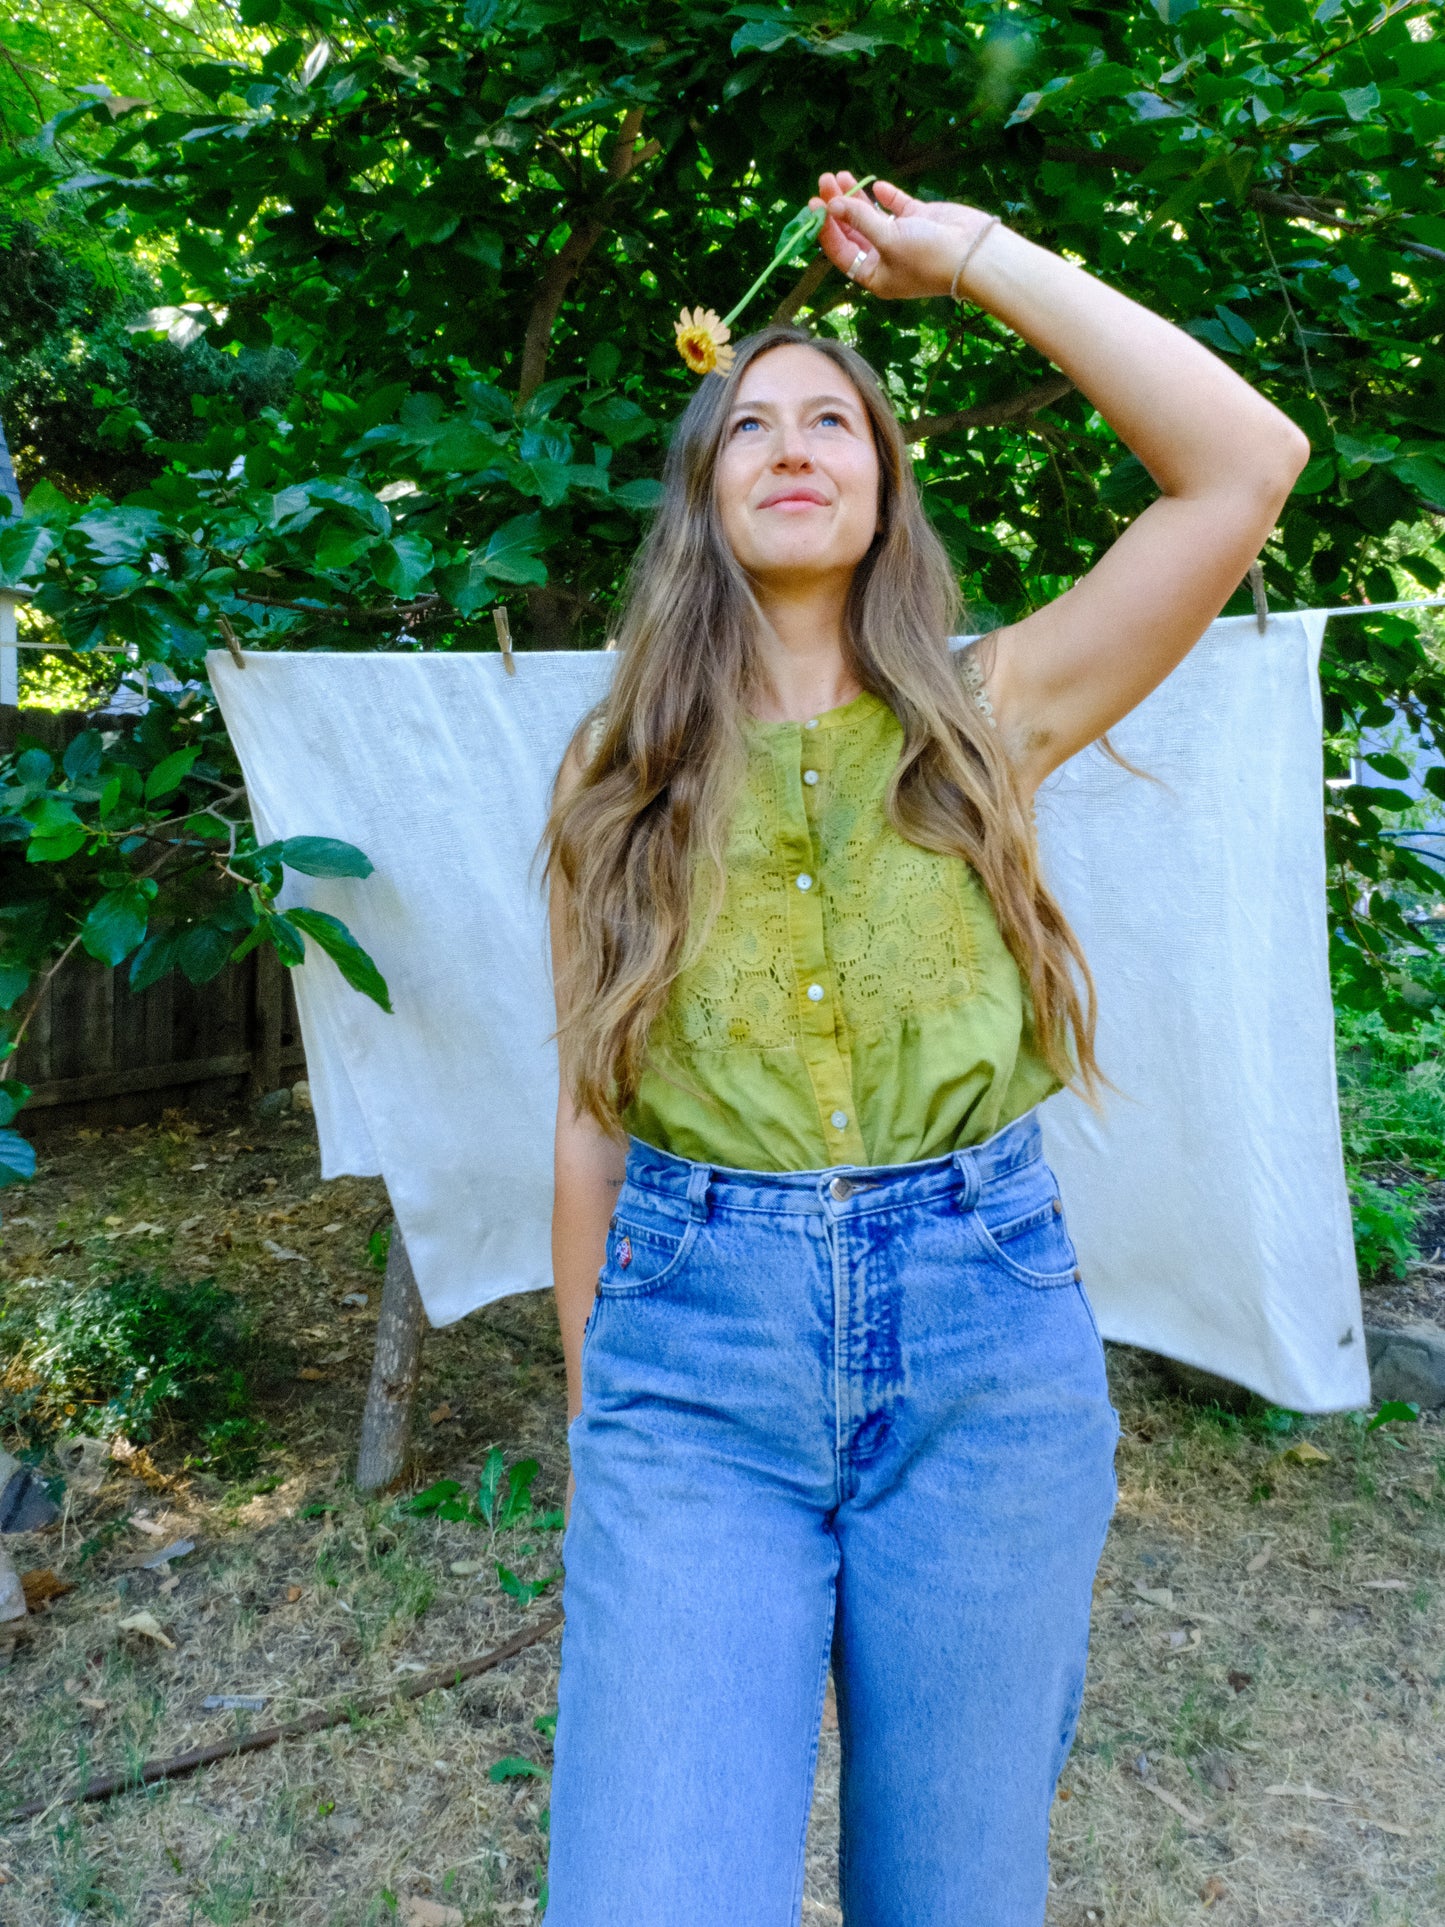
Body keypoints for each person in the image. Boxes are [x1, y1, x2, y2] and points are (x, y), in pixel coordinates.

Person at [540, 170, 1308, 1926]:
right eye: (751, 424)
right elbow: (587, 1121)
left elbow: (1242, 465)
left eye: (836, 420)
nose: (794, 442)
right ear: (701, 492)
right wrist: (603, 1423)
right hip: (690, 1375)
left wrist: (963, 260)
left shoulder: (989, 716)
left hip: (985, 1356)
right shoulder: (620, 786)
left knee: (952, 1896)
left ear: (884, 488)